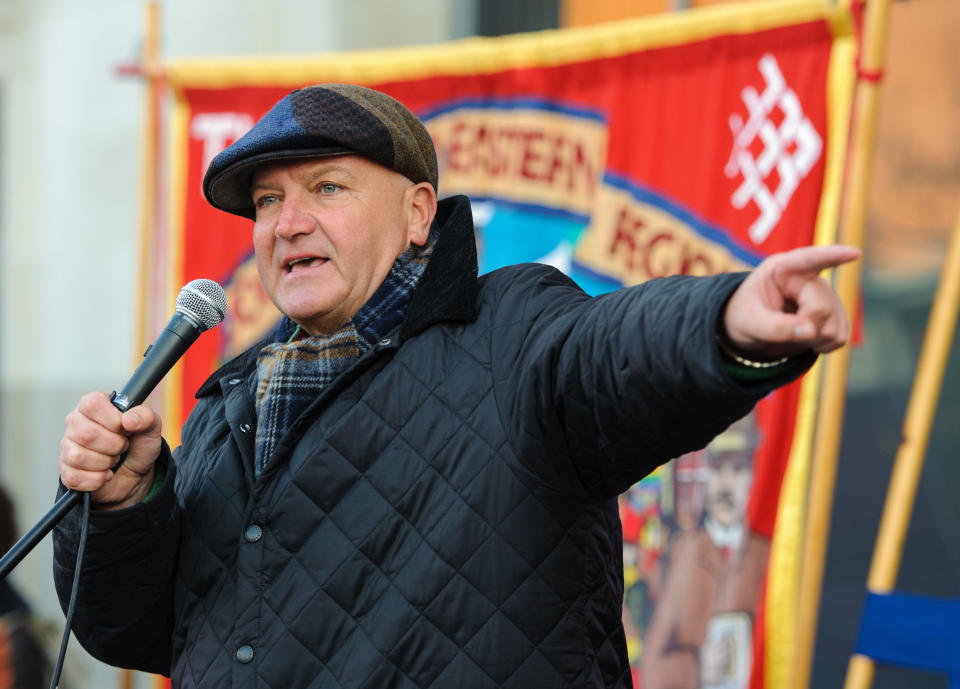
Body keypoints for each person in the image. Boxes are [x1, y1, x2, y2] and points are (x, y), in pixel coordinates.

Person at [54, 84, 856, 689]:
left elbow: (614, 353)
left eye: (326, 188)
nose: (286, 222)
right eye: (268, 201)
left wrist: (726, 319)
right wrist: (126, 506)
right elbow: (137, 629)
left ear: (417, 213)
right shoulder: (233, 402)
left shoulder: (508, 332)